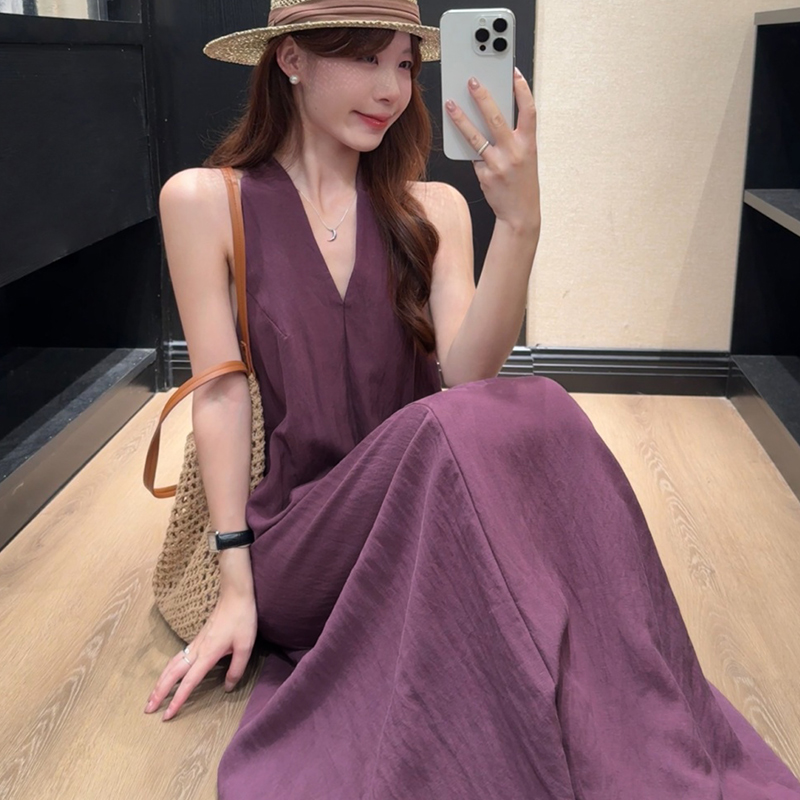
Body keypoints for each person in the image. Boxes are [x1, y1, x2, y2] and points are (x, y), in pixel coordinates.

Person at [143, 0, 800, 797]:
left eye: (404, 64)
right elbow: (220, 397)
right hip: (301, 543)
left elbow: (468, 379)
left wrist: (520, 226)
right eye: (365, 58)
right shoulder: (205, 200)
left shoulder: (433, 209)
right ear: (291, 59)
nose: (391, 89)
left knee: (533, 405)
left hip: (426, 525)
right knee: (467, 427)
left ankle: (632, 712)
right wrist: (235, 588)